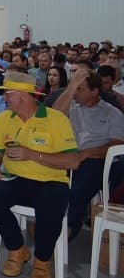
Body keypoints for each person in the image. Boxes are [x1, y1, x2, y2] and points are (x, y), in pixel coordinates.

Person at [0, 72, 79, 278]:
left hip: (51, 180)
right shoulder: (3, 119)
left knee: (52, 203)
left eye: (8, 93)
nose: (4, 98)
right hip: (16, 179)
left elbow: (73, 161)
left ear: (25, 96)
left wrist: (32, 154)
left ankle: (42, 260)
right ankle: (17, 249)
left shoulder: (56, 119)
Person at [49, 68, 124, 240]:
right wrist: (72, 85)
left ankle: (69, 227)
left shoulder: (111, 112)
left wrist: (89, 152)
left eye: (80, 89)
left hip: (97, 159)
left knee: (79, 188)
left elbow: (118, 145)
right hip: (68, 155)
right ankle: (48, 221)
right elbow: (54, 116)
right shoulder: (71, 106)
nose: (75, 92)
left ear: (94, 91)